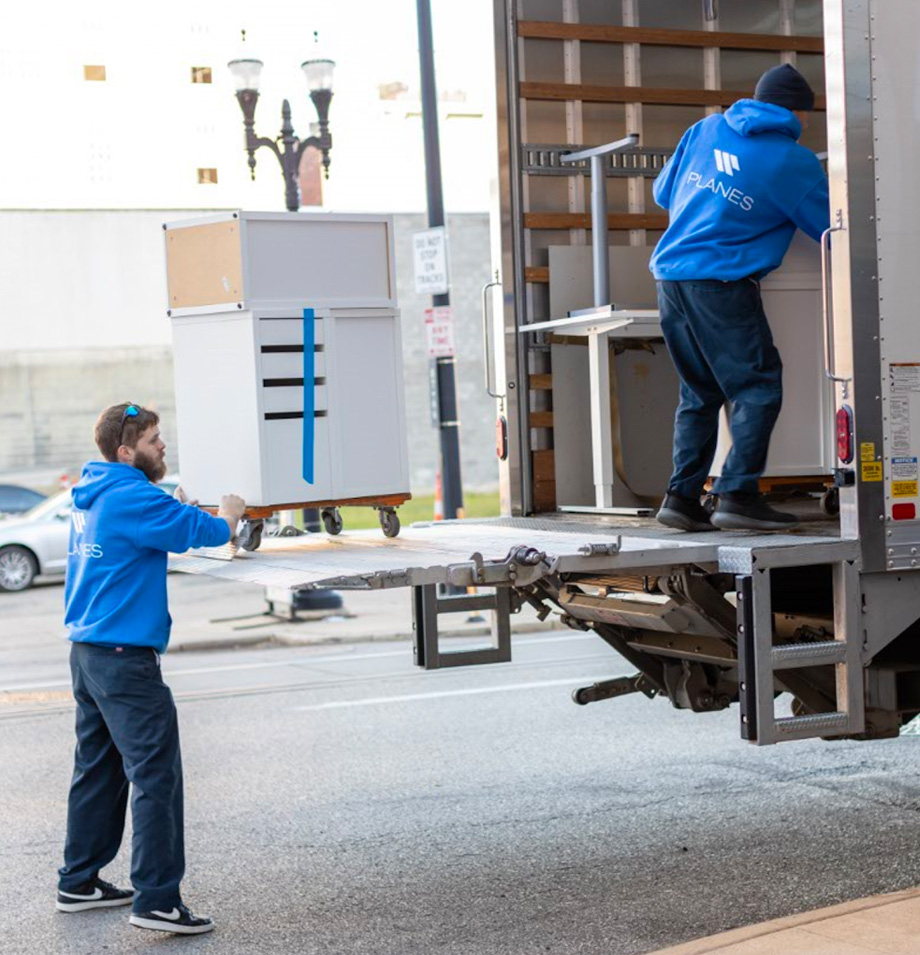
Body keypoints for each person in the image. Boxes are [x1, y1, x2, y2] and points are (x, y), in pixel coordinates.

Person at [55, 402, 246, 935]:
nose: (163, 446)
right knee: (155, 775)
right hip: (123, 661)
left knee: (98, 769)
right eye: (154, 440)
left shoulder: (97, 492)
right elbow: (206, 533)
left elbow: (161, 522)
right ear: (126, 450)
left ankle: (79, 881)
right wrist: (228, 514)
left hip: (88, 654)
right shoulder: (133, 496)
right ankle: (157, 899)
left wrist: (181, 509)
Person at [651, 64, 830, 532]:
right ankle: (738, 493)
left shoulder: (705, 128)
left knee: (699, 392)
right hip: (721, 284)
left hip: (670, 277)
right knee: (757, 385)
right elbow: (833, 226)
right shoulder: (793, 161)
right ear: (797, 112)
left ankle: (681, 497)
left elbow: (663, 192)